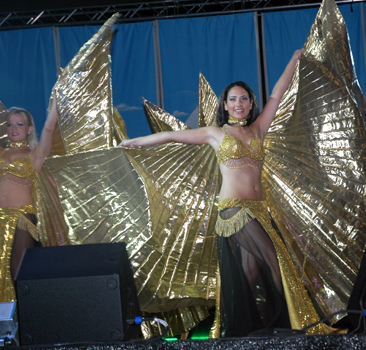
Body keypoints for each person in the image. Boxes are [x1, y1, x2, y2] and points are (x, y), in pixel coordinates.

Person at [120, 50, 315, 337]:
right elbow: (172, 136)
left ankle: (234, 330)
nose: (239, 103)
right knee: (276, 260)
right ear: (225, 104)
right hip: (234, 209)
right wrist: (135, 142)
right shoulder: (215, 133)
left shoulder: (258, 129)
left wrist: (294, 59)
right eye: (233, 99)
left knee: (250, 272)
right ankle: (293, 325)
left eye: (244, 98)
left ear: (251, 105)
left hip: (259, 209)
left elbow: (277, 94)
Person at [0, 100, 58, 303]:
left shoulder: (35, 154)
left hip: (22, 217)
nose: (14, 128)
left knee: (19, 269)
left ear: (29, 129)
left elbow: (50, 129)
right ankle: (6, 323)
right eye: (9, 124)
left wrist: (55, 106)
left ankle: (30, 320)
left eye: (19, 124)